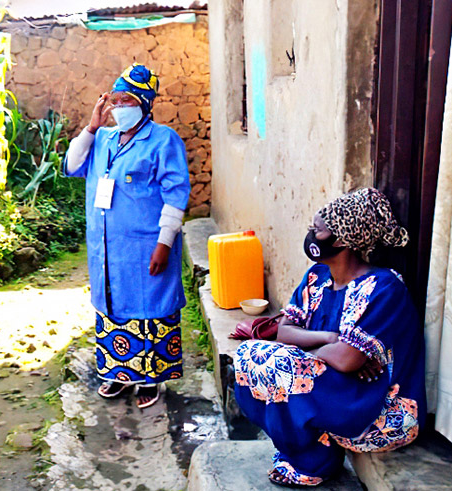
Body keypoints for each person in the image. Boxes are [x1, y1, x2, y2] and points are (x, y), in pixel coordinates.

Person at [234, 188, 427, 487]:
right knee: (249, 357)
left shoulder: (384, 287)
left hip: (380, 409)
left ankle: (314, 463)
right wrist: (331, 340)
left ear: (342, 240)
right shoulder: (317, 277)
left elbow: (347, 359)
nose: (311, 234)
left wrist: (325, 353)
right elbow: (284, 332)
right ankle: (307, 448)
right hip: (339, 388)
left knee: (283, 367)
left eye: (317, 229)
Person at [64, 64, 191, 409]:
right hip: (108, 247)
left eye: (128, 100)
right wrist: (91, 126)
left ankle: (150, 380)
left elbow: (176, 194)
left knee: (150, 307)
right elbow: (73, 166)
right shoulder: (101, 138)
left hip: (146, 245)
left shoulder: (163, 140)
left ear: (144, 104)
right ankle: (118, 375)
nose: (119, 107)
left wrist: (164, 243)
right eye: (114, 100)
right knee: (112, 305)